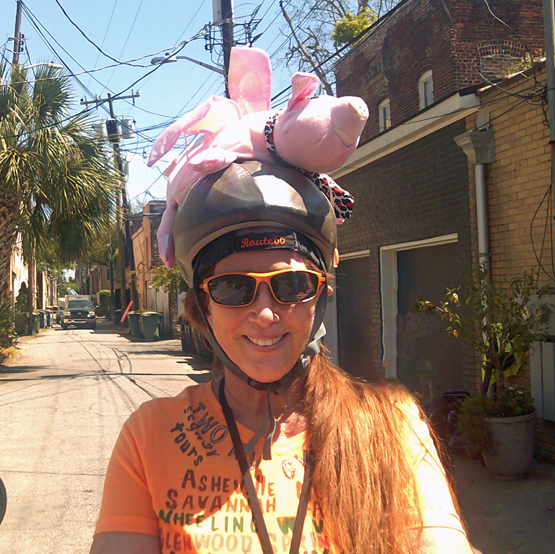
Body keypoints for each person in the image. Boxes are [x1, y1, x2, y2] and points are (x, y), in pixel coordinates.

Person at [90, 159, 476, 554]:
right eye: (232, 288)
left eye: (292, 285)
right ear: (202, 307)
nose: (264, 314)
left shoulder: (392, 428)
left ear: (323, 296)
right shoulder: (149, 436)